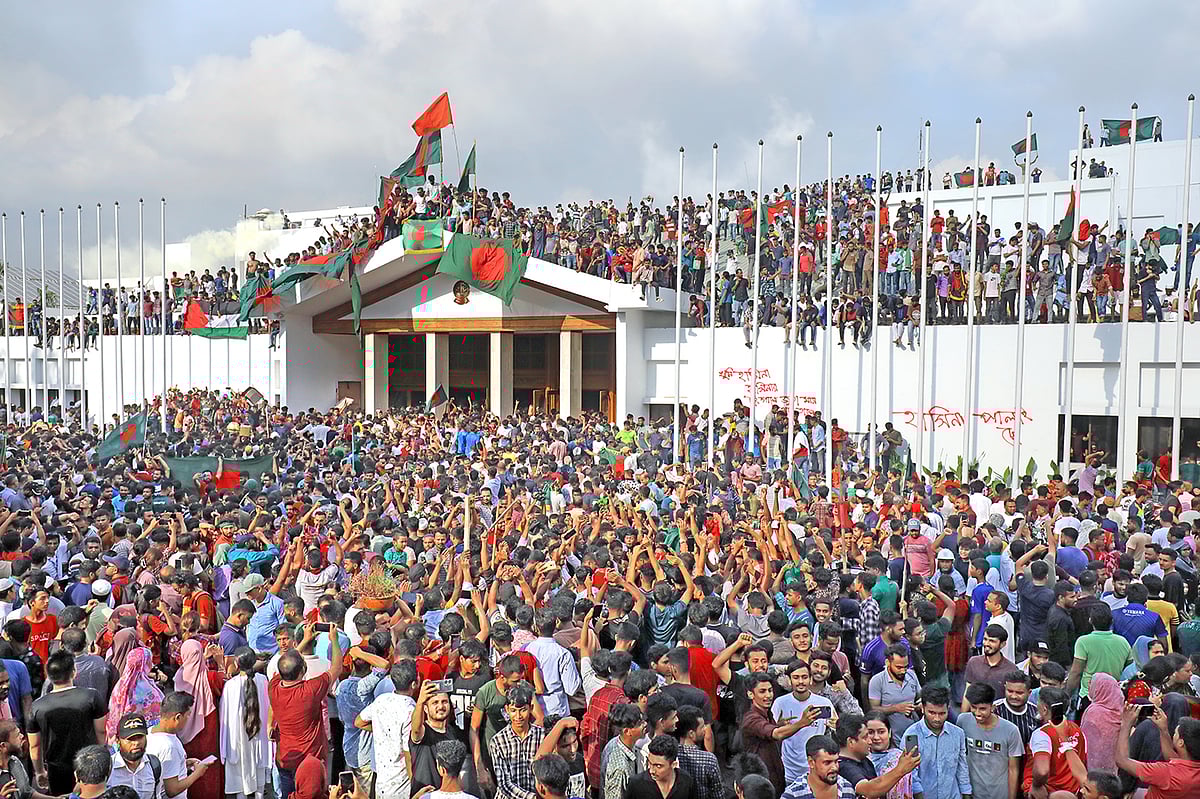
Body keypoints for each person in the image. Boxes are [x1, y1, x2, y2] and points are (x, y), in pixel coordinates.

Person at [269, 620, 343, 799]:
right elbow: (337, 667)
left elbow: (284, 664)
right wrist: (334, 640)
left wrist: (303, 641)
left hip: (285, 758)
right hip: (310, 762)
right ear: (303, 670)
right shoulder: (310, 690)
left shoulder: (273, 687)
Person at [29, 650, 107, 795]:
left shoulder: (37, 706)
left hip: (56, 768)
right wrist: (101, 755)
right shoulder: (91, 696)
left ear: (49, 676)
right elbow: (101, 732)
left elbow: (35, 745)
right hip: (89, 763)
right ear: (74, 672)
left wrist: (39, 771)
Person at [356, 659, 419, 799]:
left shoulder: (381, 700)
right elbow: (408, 755)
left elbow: (359, 722)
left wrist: (379, 729)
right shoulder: (410, 710)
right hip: (401, 783)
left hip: (382, 781)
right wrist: (415, 786)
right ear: (414, 683)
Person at [171, 638, 224, 799]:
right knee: (209, 766)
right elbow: (224, 683)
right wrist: (220, 662)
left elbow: (194, 667)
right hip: (208, 726)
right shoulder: (210, 677)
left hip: (185, 732)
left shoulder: (179, 676)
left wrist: (203, 657)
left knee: (191, 766)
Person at [1116, 699, 1200, 799]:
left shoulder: (1165, 773)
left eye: (1176, 733)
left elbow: (1121, 760)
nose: (1174, 733)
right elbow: (1172, 758)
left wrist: (1126, 724)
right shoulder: (1193, 767)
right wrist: (1163, 730)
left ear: (1181, 743)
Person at [898, 686, 971, 799]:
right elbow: (911, 775)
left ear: (948, 708)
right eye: (932, 713)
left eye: (942, 713)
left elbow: (962, 768)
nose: (937, 719)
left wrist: (966, 794)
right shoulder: (911, 736)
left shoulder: (958, 734)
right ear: (922, 708)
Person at [771, 658, 834, 784]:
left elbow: (834, 726)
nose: (800, 681)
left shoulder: (824, 703)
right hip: (789, 769)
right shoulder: (780, 703)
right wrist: (779, 725)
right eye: (796, 677)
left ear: (810, 679)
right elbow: (772, 732)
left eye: (804, 677)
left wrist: (835, 725)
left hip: (816, 768)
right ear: (789, 680)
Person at [218, 647, 270, 799]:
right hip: (259, 733)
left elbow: (224, 715)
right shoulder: (263, 680)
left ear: (236, 663)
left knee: (240, 778)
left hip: (238, 737)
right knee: (259, 771)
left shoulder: (231, 685)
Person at [957, 684, 1023, 799]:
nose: (977, 713)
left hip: (999, 793)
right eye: (973, 707)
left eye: (982, 709)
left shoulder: (1011, 730)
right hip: (971, 793)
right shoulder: (963, 721)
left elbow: (1013, 769)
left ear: (993, 707)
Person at [1022, 686, 1087, 798]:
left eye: (1038, 702)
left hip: (1047, 794)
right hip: (1072, 794)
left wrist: (1036, 786)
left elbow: (1042, 771)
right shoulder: (1077, 729)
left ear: (1044, 709)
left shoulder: (1042, 734)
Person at [147, 691, 212, 799]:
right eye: (188, 715)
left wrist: (182, 763)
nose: (188, 719)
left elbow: (162, 767)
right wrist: (197, 773)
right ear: (177, 717)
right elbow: (172, 790)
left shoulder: (150, 732)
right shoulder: (169, 747)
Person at [487, 681, 544, 799]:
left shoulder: (542, 735)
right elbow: (504, 784)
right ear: (507, 709)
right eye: (513, 710)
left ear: (531, 708)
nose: (518, 716)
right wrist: (532, 798)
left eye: (523, 710)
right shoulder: (498, 741)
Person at [104, 645, 163, 743]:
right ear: (144, 663)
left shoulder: (121, 683)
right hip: (140, 736)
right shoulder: (146, 688)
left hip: (120, 734)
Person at [868, 644, 921, 744]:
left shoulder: (911, 675)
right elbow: (874, 710)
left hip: (913, 735)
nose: (903, 671)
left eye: (905, 667)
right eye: (899, 667)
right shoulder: (877, 681)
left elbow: (919, 698)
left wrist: (919, 706)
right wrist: (896, 708)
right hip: (891, 740)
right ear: (888, 662)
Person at [621, 734, 697, 799]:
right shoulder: (636, 784)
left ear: (674, 764)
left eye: (658, 766)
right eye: (650, 763)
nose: (652, 771)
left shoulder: (686, 782)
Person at [105, 714, 162, 799]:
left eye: (140, 737)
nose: (136, 743)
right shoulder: (108, 768)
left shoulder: (154, 765)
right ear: (118, 741)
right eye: (130, 739)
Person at [1078, 673, 1124, 773]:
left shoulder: (1093, 712)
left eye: (1092, 683)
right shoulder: (1120, 711)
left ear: (1100, 689)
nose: (1089, 686)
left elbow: (1083, 741)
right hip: (1114, 768)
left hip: (1092, 769)